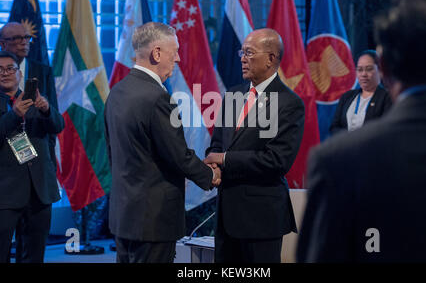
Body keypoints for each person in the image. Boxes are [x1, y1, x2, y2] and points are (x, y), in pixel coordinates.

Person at [297, 0, 426, 262]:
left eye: (370, 68)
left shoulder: (337, 161)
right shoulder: (342, 140)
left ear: (384, 70)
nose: (364, 74)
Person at [104, 22, 221, 263]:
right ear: (157, 53)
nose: (178, 59)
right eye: (175, 51)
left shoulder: (116, 91)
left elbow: (113, 152)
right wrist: (210, 176)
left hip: (124, 213)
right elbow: (178, 155)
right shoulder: (158, 98)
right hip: (153, 219)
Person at [205, 28, 302, 263]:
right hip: (226, 217)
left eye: (249, 53)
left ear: (271, 58)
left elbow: (277, 161)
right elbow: (216, 146)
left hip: (261, 220)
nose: (242, 58)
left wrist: (225, 160)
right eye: (242, 52)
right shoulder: (233, 95)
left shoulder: (289, 103)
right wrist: (214, 166)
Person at [0, 22, 60, 263]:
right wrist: (14, 114)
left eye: (10, 69)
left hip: (39, 188)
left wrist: (46, 110)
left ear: (19, 73)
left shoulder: (33, 95)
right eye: (0, 69)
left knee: (34, 254)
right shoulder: (12, 104)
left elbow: (58, 126)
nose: (6, 73)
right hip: (6, 191)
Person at [329, 50, 391, 135]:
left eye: (369, 69)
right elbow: (334, 127)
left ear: (380, 71)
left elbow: (385, 130)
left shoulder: (387, 97)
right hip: (346, 146)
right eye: (359, 70)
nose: (363, 74)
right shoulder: (346, 97)